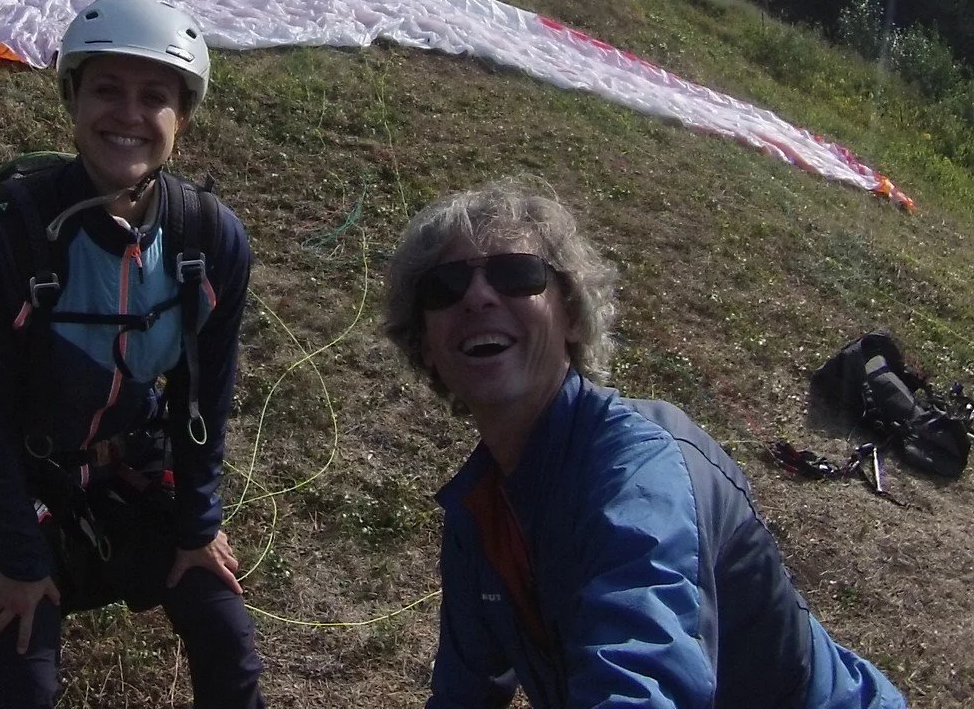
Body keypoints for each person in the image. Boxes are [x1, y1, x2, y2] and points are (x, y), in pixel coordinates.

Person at [382, 181, 906, 709]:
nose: (477, 297)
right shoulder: (481, 509)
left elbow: (641, 677)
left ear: (571, 314)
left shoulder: (640, 472)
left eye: (516, 274)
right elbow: (464, 690)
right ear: (425, 344)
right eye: (444, 287)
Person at [0, 0, 264, 708]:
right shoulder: (8, 237)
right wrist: (19, 559)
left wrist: (198, 525)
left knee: (229, 644)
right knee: (23, 673)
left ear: (184, 117)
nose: (129, 116)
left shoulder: (210, 239)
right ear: (72, 97)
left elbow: (206, 398)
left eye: (155, 97)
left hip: (132, 468)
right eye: (107, 89)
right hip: (18, 479)